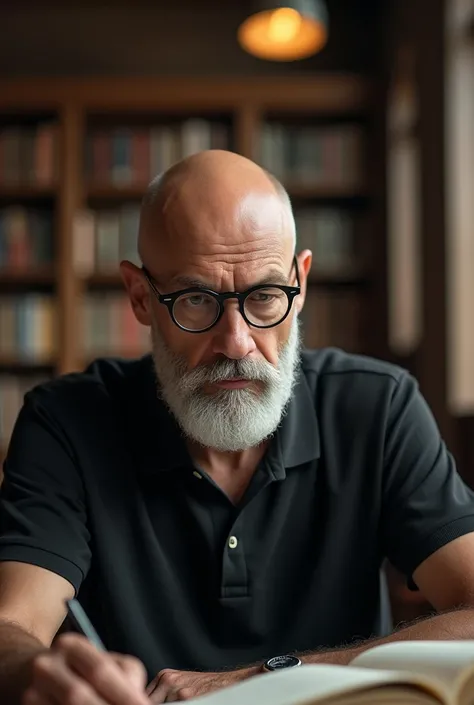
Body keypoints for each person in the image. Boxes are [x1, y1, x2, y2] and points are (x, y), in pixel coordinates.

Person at [1, 150, 474, 705]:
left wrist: (271, 673)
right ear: (140, 297)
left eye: (266, 296)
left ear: (301, 283)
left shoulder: (377, 406)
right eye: (198, 300)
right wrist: (40, 675)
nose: (237, 342)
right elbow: (12, 625)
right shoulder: (66, 421)